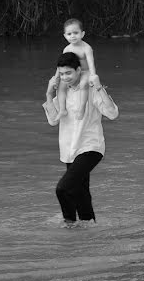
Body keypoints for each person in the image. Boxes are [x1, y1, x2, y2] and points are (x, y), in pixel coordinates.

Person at [43, 52, 119, 227]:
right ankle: (88, 231)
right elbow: (53, 121)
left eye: (68, 73)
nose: (65, 77)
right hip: (70, 149)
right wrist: (48, 93)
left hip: (91, 147)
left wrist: (100, 87)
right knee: (80, 192)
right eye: (61, 74)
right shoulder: (62, 94)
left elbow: (113, 114)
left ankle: (68, 224)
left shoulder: (91, 89)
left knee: (63, 188)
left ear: (78, 70)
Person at [55, 18, 97, 121]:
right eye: (69, 34)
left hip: (85, 72)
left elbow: (91, 63)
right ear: (65, 36)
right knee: (61, 86)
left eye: (76, 33)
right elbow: (62, 64)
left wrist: (93, 76)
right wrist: (56, 77)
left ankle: (82, 108)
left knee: (83, 84)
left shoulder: (86, 48)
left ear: (82, 34)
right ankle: (62, 109)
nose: (72, 36)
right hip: (73, 73)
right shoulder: (67, 49)